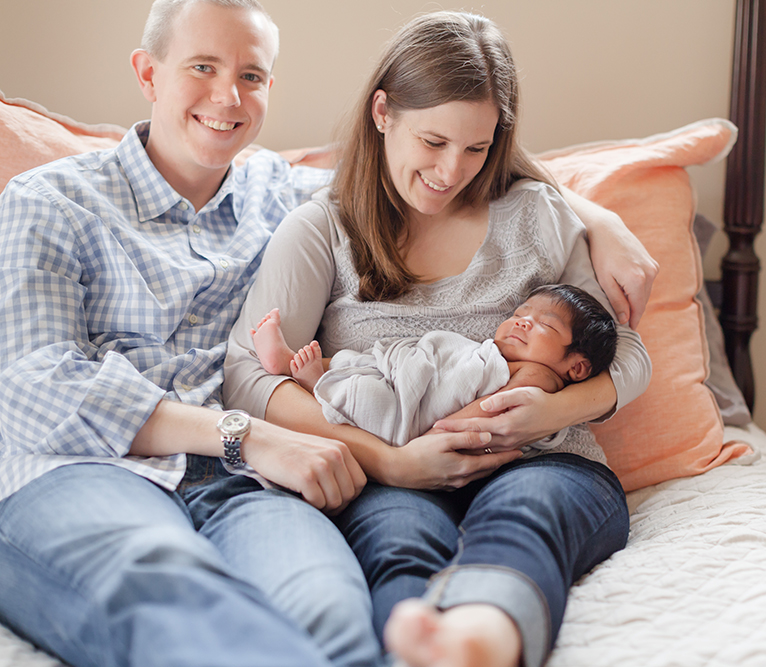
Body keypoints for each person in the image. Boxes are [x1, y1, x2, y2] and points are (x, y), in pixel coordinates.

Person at [0, 2, 656, 665]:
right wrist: (300, 443)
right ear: (147, 72)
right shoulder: (49, 200)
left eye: (252, 75)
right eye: (203, 66)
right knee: (168, 585)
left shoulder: (277, 189)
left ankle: (457, 644)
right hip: (99, 467)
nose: (229, 96)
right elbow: (35, 384)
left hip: (250, 482)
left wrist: (598, 216)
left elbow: (451, 168)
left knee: (335, 616)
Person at [223, 11, 652, 667]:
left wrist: (554, 409)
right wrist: (390, 460)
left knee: (525, 515)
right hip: (391, 474)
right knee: (397, 538)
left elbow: (627, 352)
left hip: (545, 460)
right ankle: (414, 648)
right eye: (434, 142)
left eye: (476, 148)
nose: (452, 170)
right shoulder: (324, 232)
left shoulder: (536, 215)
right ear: (383, 112)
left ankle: (480, 639)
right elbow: (248, 379)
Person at [251, 283, 618, 451]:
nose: (523, 322)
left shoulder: (540, 377)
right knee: (365, 363)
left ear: (578, 367)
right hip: (411, 373)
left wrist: (439, 436)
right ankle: (291, 364)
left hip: (412, 414)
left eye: (546, 325)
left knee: (372, 399)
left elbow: (489, 412)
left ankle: (316, 380)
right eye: (521, 314)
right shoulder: (497, 355)